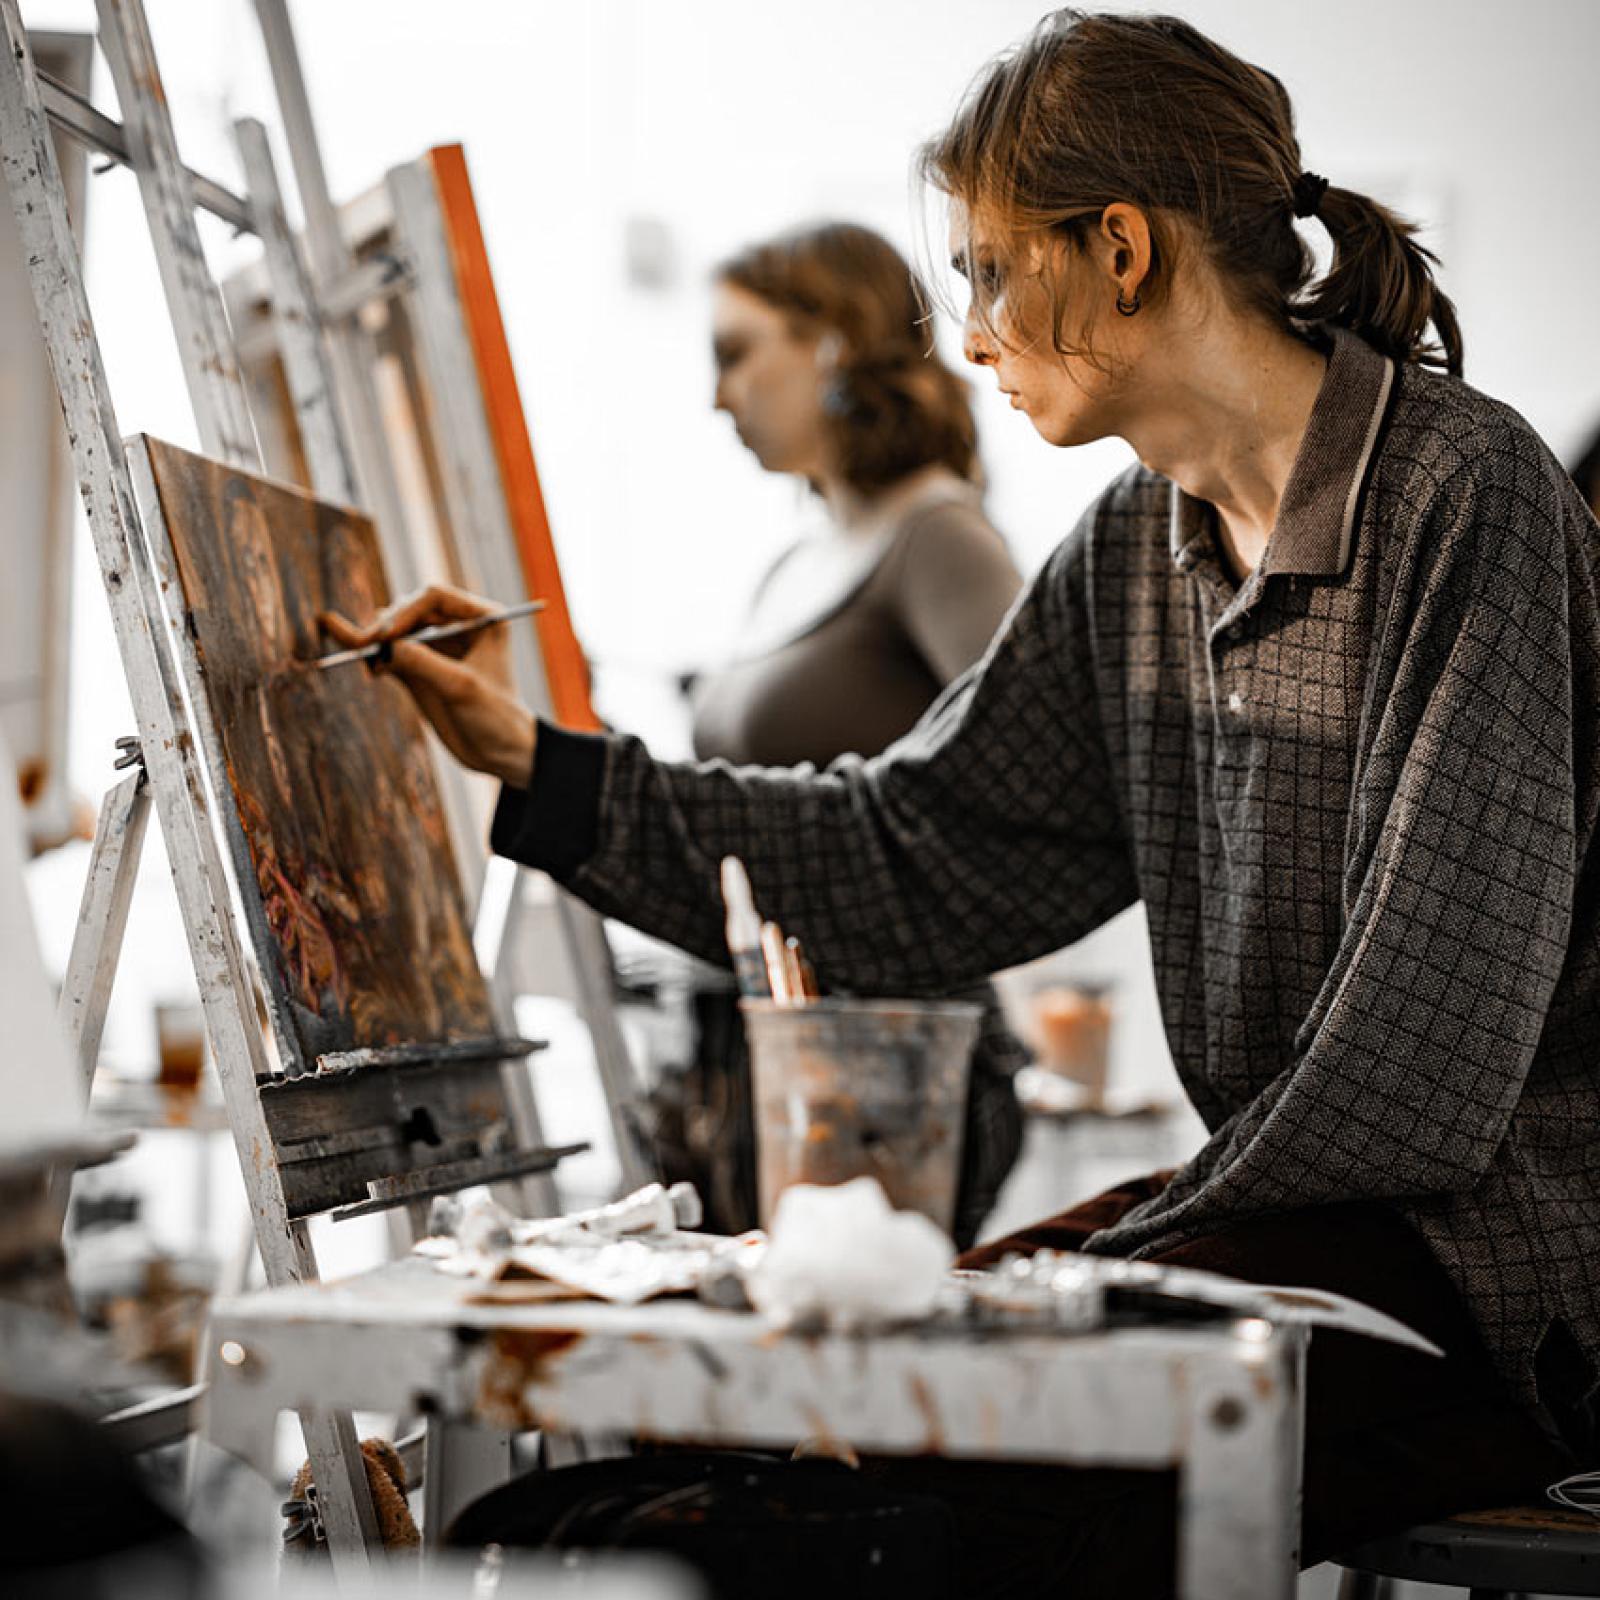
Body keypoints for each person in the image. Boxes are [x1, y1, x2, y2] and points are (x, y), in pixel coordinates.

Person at [323, 9, 1600, 1593]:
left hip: (1498, 1275)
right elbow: (908, 852)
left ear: (1120, 248)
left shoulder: (1466, 492)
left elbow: (1422, 1073)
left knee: (913, 1455)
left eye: (992, 270)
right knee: (825, 1397)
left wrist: (1106, 1258)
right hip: (1290, 1216)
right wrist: (540, 762)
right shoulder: (1138, 547)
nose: (973, 333)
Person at [672, 221, 1026, 1244]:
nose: (718, 396)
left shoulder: (940, 536)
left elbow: (1032, 782)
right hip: (768, 1049)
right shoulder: (796, 559)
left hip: (888, 1069)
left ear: (832, 342)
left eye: (737, 353)